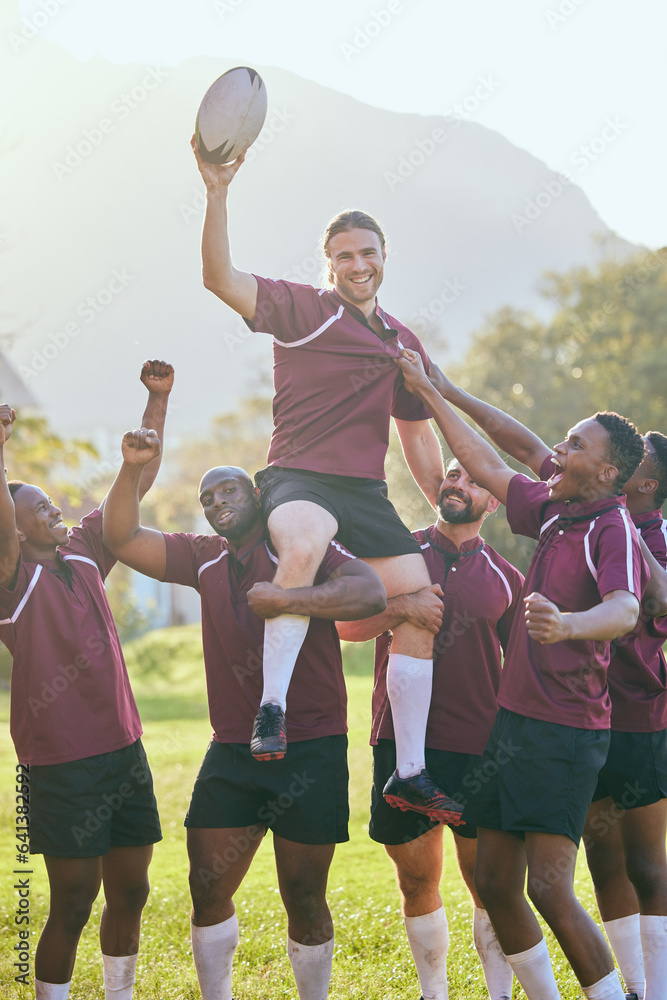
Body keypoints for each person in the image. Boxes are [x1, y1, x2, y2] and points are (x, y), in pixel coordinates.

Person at [189, 137, 461, 823]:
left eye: (367, 252)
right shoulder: (303, 310)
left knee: (423, 605)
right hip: (298, 478)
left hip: (365, 493)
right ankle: (271, 710)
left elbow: (416, 435)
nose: (357, 264)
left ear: (383, 257)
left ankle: (410, 773)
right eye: (343, 255)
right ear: (328, 264)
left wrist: (445, 518)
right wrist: (217, 189)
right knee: (303, 543)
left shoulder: (403, 341)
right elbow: (219, 278)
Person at [395, 348, 648, 1000]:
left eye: (574, 444)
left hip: (565, 732)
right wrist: (438, 391)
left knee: (546, 887)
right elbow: (492, 453)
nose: (557, 451)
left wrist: (566, 625)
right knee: (499, 887)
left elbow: (623, 609)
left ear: (608, 471)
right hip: (512, 724)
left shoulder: (610, 526)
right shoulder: (558, 504)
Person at [101, 425, 387, 1000]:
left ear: (257, 495)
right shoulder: (202, 558)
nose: (216, 504)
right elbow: (123, 535)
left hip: (311, 743)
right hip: (233, 746)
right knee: (205, 888)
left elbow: (370, 592)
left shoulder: (297, 541)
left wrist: (288, 598)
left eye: (228, 491)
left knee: (304, 897)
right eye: (207, 499)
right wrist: (133, 468)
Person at [0, 361, 174, 1000]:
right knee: (73, 900)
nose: (53, 510)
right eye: (37, 508)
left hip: (123, 753)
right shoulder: (11, 586)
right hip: (61, 765)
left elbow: (138, 483)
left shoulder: (83, 551)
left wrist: (156, 403)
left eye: (50, 501)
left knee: (132, 889)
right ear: (14, 529)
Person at [338, 458, 524, 1000]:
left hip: (480, 751)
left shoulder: (506, 578)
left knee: (489, 886)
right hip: (401, 745)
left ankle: (498, 993)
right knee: (417, 880)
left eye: (473, 479)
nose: (456, 483)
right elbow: (348, 626)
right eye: (450, 473)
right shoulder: (397, 557)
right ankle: (434, 993)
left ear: (493, 502)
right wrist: (404, 605)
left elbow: (520, 672)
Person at [582, 431, 667, 1000]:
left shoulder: (658, 538)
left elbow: (659, 602)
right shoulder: (588, 523)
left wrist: (621, 527)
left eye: (637, 463)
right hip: (584, 715)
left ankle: (658, 988)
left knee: (648, 868)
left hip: (641, 719)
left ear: (647, 485)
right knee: (603, 862)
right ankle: (634, 986)